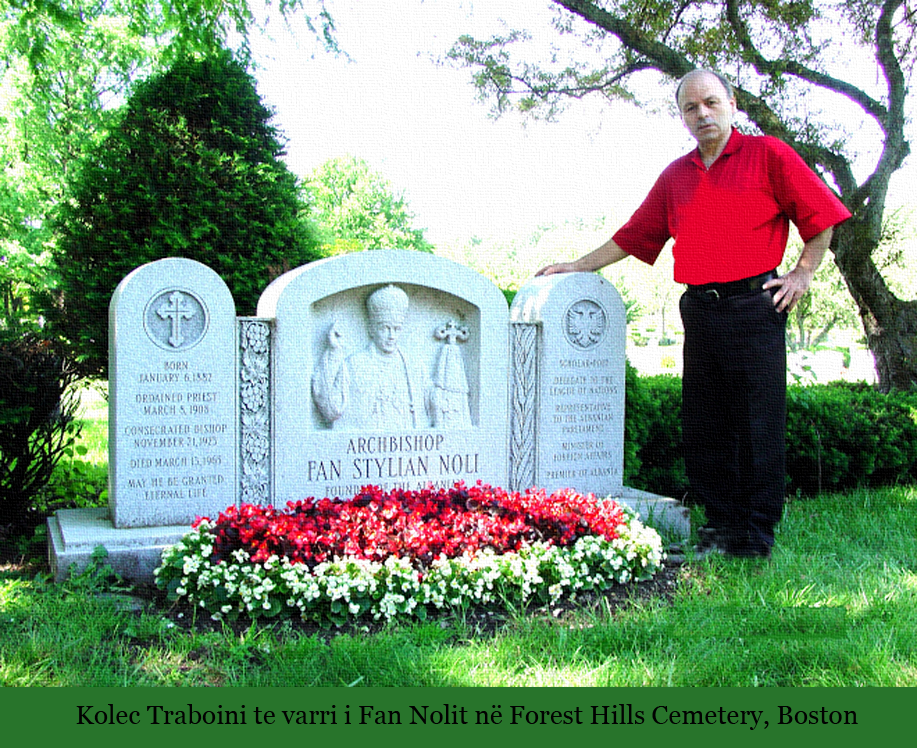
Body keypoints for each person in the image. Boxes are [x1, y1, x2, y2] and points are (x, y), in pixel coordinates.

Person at [538, 69, 851, 559]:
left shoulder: (769, 155)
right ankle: (720, 526)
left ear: (731, 102)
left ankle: (754, 537)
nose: (702, 114)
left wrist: (802, 275)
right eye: (690, 108)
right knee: (705, 423)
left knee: (755, 422)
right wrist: (576, 266)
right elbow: (634, 234)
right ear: (682, 117)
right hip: (700, 310)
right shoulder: (676, 176)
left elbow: (822, 217)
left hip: (754, 305)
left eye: (710, 102)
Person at [312, 284, 427, 430]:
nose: (391, 336)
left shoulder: (414, 367)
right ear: (372, 329)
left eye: (396, 329)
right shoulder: (354, 365)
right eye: (385, 328)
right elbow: (331, 409)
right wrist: (333, 353)